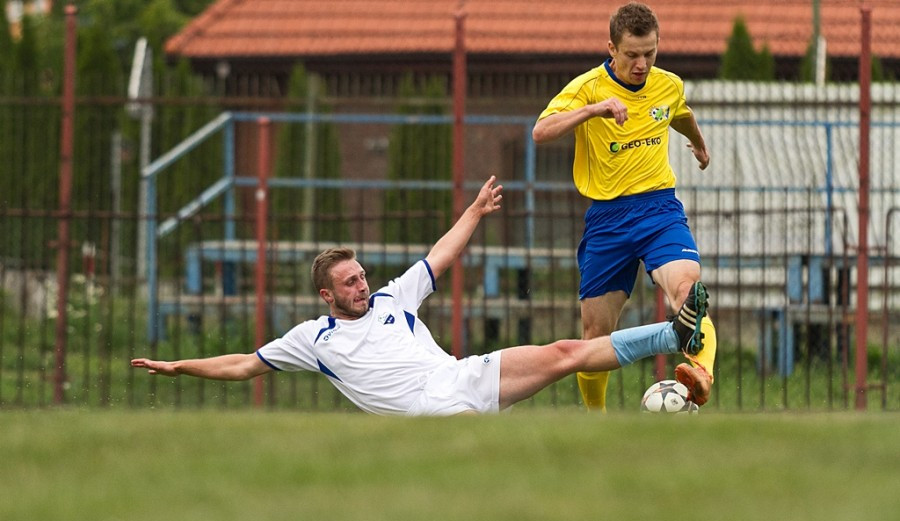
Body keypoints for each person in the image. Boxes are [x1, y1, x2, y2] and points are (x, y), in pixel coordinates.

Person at [132, 176, 707, 416]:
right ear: (327, 295)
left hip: (462, 376)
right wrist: (181, 366)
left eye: (362, 276)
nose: (363, 285)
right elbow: (241, 365)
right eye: (351, 282)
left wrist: (475, 211)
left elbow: (441, 255)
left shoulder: (391, 300)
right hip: (428, 413)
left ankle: (673, 332)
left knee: (564, 352)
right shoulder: (313, 339)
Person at [532, 1, 716, 412]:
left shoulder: (668, 83)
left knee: (690, 295)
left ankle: (702, 373)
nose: (642, 64)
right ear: (611, 48)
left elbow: (678, 113)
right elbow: (541, 132)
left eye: (650, 53)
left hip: (658, 210)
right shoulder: (587, 88)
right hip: (607, 219)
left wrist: (699, 143)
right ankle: (596, 421)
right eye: (632, 54)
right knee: (594, 336)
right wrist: (593, 110)